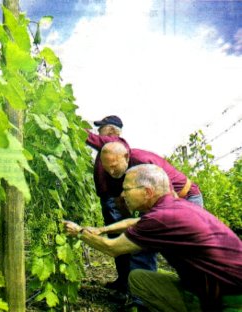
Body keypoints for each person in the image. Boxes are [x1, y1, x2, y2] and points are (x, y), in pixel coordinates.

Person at [63, 164, 242, 311]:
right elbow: (135, 222)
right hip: (221, 285)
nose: (122, 195)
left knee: (140, 281)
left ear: (147, 192)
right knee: (139, 277)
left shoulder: (159, 218)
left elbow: (112, 248)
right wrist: (102, 229)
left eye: (126, 189)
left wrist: (79, 232)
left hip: (228, 298)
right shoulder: (174, 207)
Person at [85, 116, 154, 294]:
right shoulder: (111, 146)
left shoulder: (114, 141)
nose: (98, 132)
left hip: (115, 200)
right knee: (119, 238)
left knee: (121, 240)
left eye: (100, 128)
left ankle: (130, 285)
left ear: (110, 130)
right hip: (112, 199)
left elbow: (92, 139)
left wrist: (72, 126)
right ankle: (124, 281)